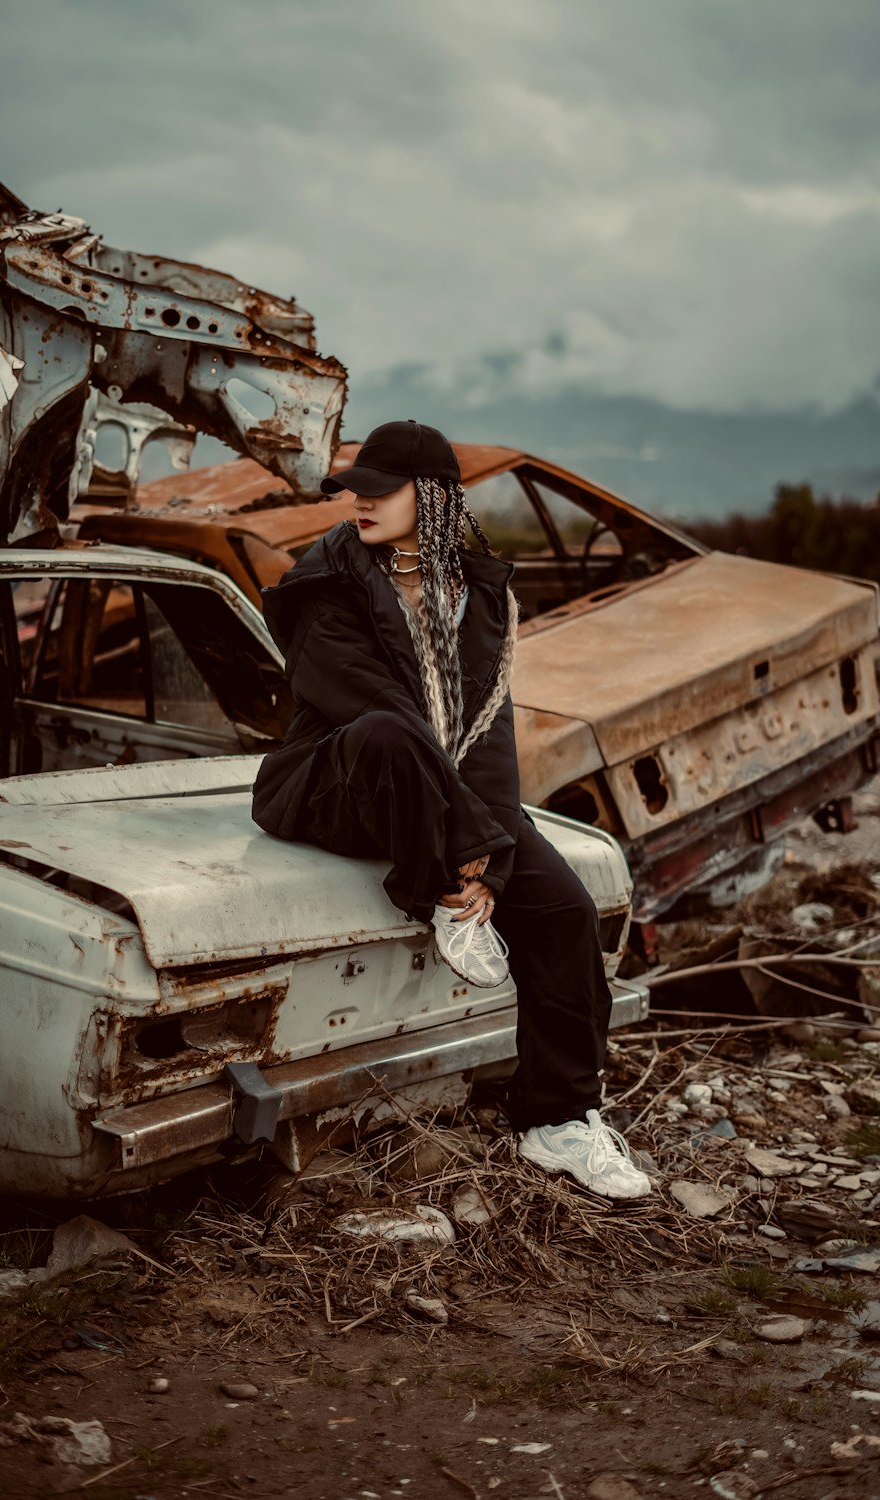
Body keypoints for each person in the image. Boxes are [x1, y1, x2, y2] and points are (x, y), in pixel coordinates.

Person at [252, 420, 651, 1199]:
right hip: (338, 783)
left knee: (565, 910)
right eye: (352, 489)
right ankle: (441, 892)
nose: (358, 502)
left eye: (379, 490)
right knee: (389, 730)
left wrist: (493, 864)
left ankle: (560, 1120)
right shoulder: (324, 580)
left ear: (431, 497)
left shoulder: (478, 591)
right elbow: (366, 702)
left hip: (452, 803)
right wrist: (462, 857)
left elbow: (490, 733)